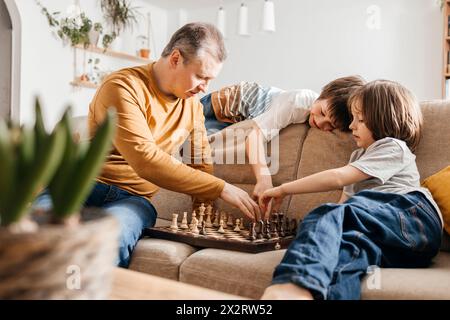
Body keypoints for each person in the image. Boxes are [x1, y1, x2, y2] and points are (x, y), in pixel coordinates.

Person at [33, 22, 260, 268]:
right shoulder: (121, 86)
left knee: (109, 240)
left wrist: (204, 221)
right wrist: (221, 187)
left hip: (133, 200)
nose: (205, 87)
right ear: (175, 58)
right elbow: (145, 159)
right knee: (35, 233)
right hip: (79, 186)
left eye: (210, 79)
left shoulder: (193, 107)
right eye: (201, 76)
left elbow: (200, 164)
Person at [258, 80, 443, 300]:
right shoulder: (357, 157)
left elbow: (338, 179)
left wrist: (283, 189)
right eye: (353, 119)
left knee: (323, 214)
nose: (352, 126)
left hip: (412, 216)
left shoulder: (393, 146)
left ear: (384, 120)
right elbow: (343, 205)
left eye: (361, 120)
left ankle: (291, 289)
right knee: (348, 252)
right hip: (401, 246)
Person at [201, 76, 365, 205]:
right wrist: (264, 179)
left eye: (331, 125)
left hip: (239, 117)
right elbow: (253, 137)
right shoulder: (297, 101)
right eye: (322, 112)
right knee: (185, 143)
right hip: (227, 103)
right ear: (323, 94)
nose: (321, 123)